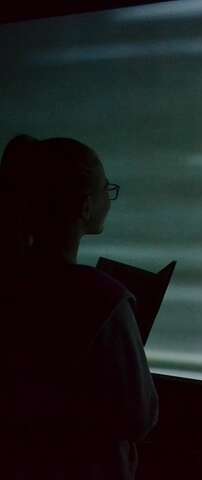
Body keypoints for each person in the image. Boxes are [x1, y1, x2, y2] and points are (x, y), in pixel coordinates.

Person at [0, 135, 158, 479]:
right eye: (106, 188)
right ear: (85, 206)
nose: (110, 197)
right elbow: (140, 415)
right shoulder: (103, 298)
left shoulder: (10, 281)